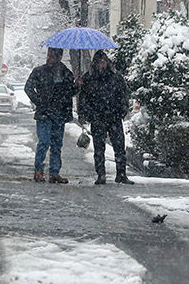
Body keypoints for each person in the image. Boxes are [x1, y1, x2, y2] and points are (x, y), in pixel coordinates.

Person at [78, 50, 134, 185]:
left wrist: (122, 111)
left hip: (114, 117)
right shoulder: (88, 78)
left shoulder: (116, 77)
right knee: (99, 148)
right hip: (97, 118)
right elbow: (83, 98)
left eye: (103, 62)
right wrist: (83, 113)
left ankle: (121, 174)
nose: (101, 65)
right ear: (95, 64)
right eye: (98, 62)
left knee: (119, 147)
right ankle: (101, 174)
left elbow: (124, 95)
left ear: (107, 63)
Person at [24, 47, 78, 183]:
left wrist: (77, 85)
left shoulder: (66, 73)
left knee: (57, 144)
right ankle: (38, 171)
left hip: (59, 114)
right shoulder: (39, 71)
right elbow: (28, 87)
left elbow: (70, 92)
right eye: (49, 55)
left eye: (53, 56)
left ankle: (54, 172)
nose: (49, 58)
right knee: (44, 142)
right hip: (44, 113)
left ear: (59, 57)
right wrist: (39, 101)